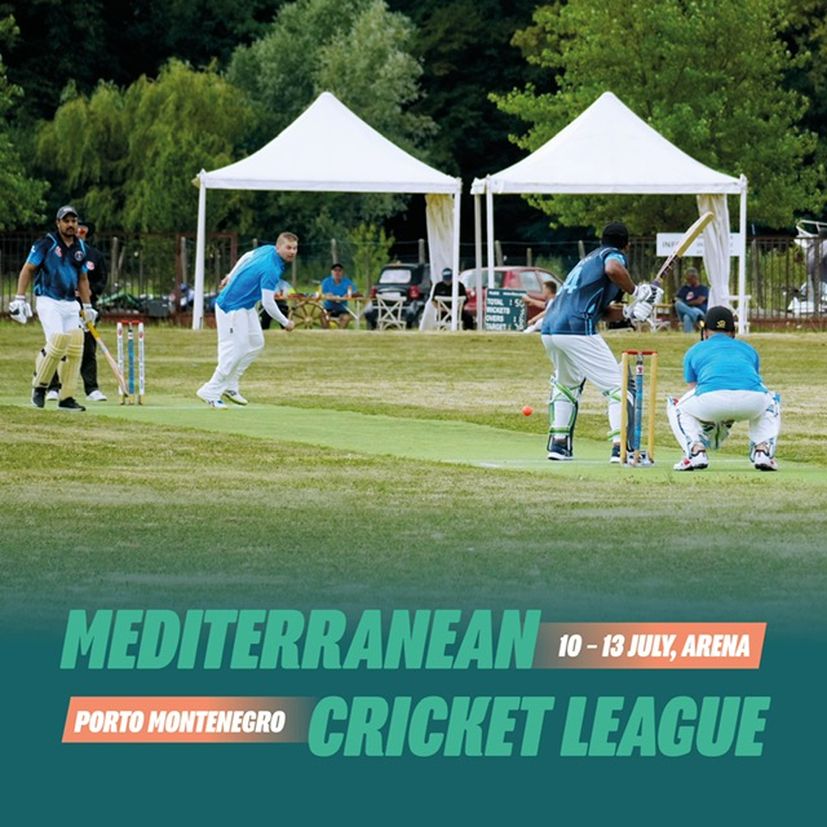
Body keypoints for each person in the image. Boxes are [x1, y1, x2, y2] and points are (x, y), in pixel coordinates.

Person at [540, 221, 658, 463]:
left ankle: (559, 445)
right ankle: (621, 449)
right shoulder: (612, 255)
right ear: (627, 245)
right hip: (576, 328)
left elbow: (601, 311)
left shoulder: (588, 260)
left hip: (551, 328)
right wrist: (637, 292)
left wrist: (629, 313)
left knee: (567, 383)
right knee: (619, 386)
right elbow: (613, 269)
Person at [667, 306, 780, 472]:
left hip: (710, 400)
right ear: (733, 332)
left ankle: (695, 451)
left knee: (677, 406)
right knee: (772, 400)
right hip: (752, 400)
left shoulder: (694, 350)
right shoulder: (749, 349)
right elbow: (750, 382)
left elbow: (694, 389)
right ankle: (763, 451)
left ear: (705, 332)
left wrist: (712, 421)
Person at [196, 232, 297, 408]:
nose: (292, 252)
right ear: (278, 247)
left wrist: (230, 275)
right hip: (231, 307)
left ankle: (230, 384)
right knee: (237, 347)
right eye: (288, 248)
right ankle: (210, 390)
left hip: (246, 306)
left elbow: (246, 256)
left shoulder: (267, 250)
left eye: (295, 248)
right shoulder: (271, 269)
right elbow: (268, 302)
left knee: (257, 343)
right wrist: (285, 322)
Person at [9, 205, 95, 411]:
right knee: (57, 343)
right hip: (48, 300)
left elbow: (83, 279)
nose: (70, 225)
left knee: (75, 347)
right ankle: (39, 387)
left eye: (74, 221)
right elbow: (28, 269)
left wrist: (88, 306)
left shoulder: (80, 248)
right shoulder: (46, 243)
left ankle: (66, 398)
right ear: (58, 223)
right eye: (66, 221)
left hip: (70, 302)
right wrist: (19, 298)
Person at [46, 219, 108, 402]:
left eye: (82, 230)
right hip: (62, 304)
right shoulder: (58, 252)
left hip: (86, 307)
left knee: (87, 348)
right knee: (57, 345)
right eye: (76, 228)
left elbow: (100, 280)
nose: (78, 231)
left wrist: (89, 292)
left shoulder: (94, 255)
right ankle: (52, 388)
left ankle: (92, 389)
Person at [320, 263, 359, 328]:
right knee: (323, 316)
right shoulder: (326, 281)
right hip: (328, 308)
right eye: (335, 270)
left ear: (342, 272)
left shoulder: (347, 282)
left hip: (342, 309)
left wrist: (349, 294)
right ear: (331, 272)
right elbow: (322, 293)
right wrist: (328, 295)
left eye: (339, 270)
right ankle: (325, 331)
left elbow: (357, 293)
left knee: (346, 318)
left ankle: (340, 331)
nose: (337, 272)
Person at [674, 266, 709, 332]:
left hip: (699, 310)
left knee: (687, 317)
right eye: (687, 279)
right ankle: (698, 317)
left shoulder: (703, 288)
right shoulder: (684, 288)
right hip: (686, 310)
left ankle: (689, 335)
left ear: (696, 277)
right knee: (677, 304)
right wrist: (684, 304)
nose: (688, 281)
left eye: (690, 279)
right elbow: (676, 299)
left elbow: (699, 301)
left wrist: (685, 303)